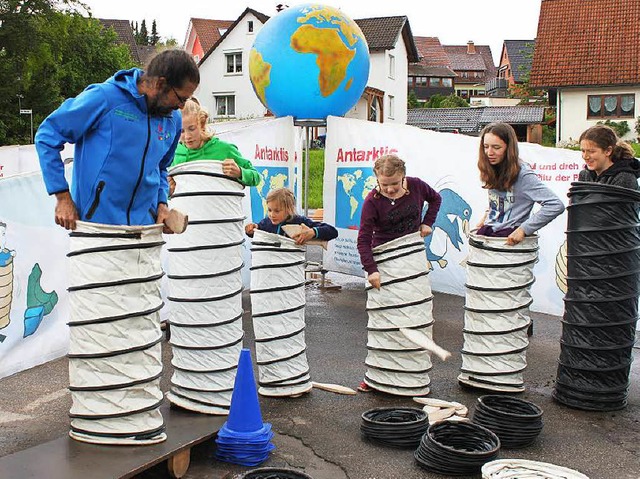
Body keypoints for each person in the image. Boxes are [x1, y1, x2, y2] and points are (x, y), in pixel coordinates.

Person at [35, 49, 199, 231]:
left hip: (146, 231)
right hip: (97, 230)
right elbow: (47, 135)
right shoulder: (104, 98)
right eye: (180, 98)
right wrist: (62, 197)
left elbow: (160, 167)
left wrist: (161, 204)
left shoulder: (173, 119)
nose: (181, 106)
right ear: (161, 84)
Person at [357, 154, 442, 290]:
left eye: (395, 183)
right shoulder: (372, 201)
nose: (390, 189)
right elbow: (363, 239)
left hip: (412, 252)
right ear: (377, 179)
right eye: (384, 184)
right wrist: (371, 270)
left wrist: (427, 222)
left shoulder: (416, 185)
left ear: (403, 176)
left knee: (416, 295)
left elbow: (435, 199)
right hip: (385, 255)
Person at [476, 122, 564, 244]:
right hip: (488, 235)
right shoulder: (492, 168)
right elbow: (500, 202)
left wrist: (524, 229)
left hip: (508, 241)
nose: (489, 152)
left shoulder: (523, 174)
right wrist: (486, 218)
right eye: (486, 147)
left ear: (509, 148)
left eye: (496, 147)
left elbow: (555, 204)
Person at [169, 98, 260, 190]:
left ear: (202, 125)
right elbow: (165, 190)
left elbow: (256, 178)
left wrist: (240, 172)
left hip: (222, 204)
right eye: (181, 131)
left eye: (192, 129)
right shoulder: (172, 155)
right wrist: (167, 191)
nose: (187, 136)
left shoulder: (224, 150)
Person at [245, 188, 338, 245]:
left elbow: (332, 231)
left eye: (277, 211)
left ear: (289, 209)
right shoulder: (265, 223)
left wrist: (313, 232)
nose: (272, 215)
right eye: (269, 210)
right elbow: (255, 233)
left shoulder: (300, 221)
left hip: (292, 269)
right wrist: (252, 229)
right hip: (271, 267)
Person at [578, 124, 640, 190]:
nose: (585, 156)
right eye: (583, 151)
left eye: (591, 151)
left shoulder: (624, 178)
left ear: (608, 151)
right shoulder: (584, 175)